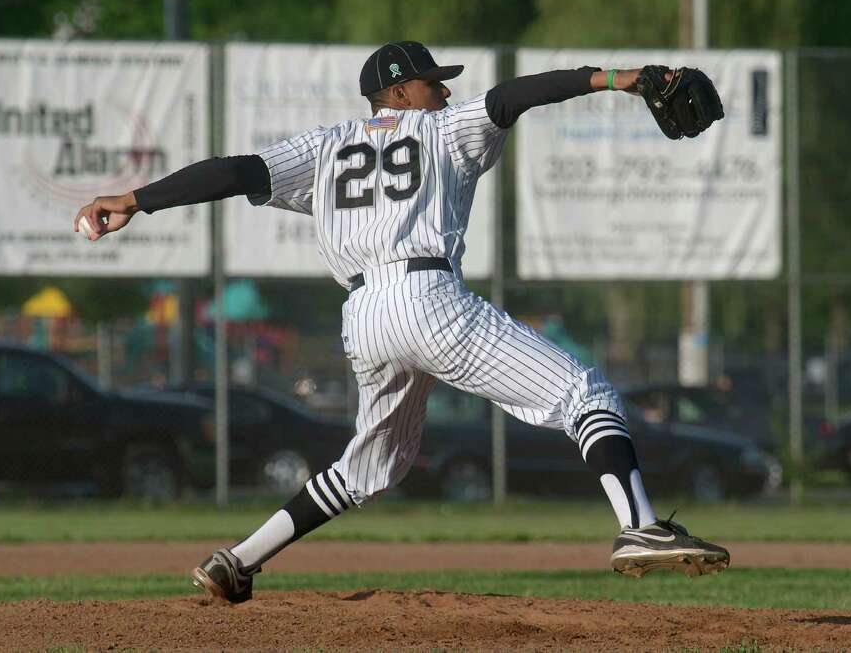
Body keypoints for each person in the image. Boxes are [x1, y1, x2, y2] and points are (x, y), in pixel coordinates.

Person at [75, 41, 729, 604]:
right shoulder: (442, 128)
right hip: (427, 297)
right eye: (431, 80)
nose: (444, 89)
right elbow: (513, 96)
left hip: (364, 316)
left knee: (370, 466)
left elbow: (232, 171)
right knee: (586, 393)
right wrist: (621, 78)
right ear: (397, 90)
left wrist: (135, 199)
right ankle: (640, 523)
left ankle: (238, 559)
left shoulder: (326, 145)